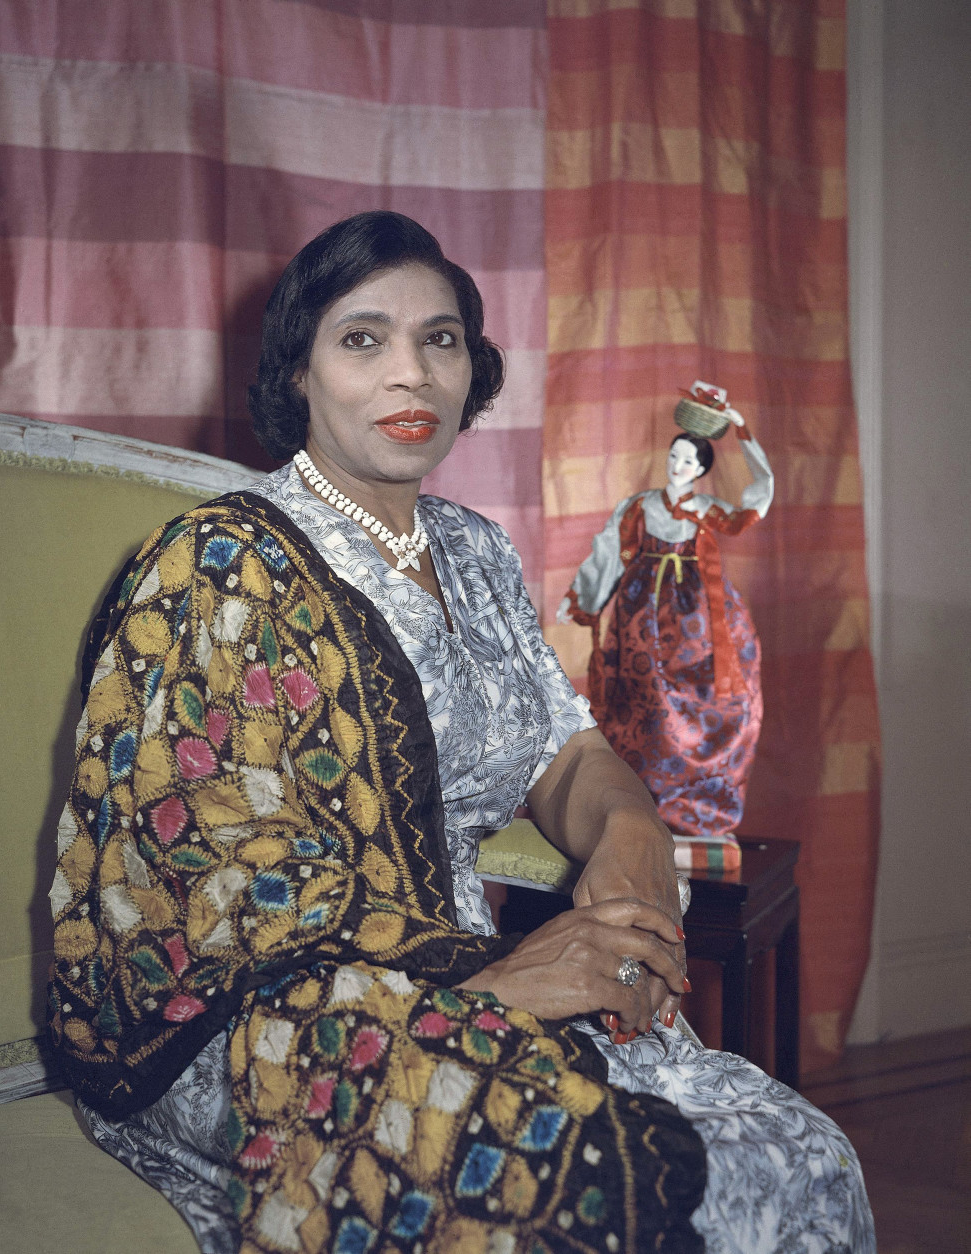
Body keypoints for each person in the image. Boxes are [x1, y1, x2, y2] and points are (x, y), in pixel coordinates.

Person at [47, 212, 873, 1254]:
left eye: (439, 340)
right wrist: (489, 980)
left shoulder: (473, 552)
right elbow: (199, 876)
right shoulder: (213, 563)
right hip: (278, 1028)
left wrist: (630, 834)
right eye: (362, 339)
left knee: (801, 1154)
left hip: (476, 975)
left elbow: (566, 751)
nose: (412, 373)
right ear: (298, 371)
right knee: (607, 1192)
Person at [558, 416, 772, 843]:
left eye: (689, 460)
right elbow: (609, 551)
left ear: (702, 469)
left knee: (715, 702)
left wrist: (742, 429)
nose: (678, 465)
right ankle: (640, 805)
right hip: (642, 616)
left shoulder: (707, 509)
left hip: (700, 617)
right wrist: (581, 598)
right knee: (646, 705)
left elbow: (757, 500)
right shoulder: (641, 506)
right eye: (674, 456)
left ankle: (697, 807)